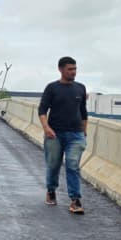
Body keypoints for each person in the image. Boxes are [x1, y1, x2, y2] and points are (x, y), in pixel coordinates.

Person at [38, 56, 88, 214]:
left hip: (76, 134)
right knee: (53, 164)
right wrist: (46, 128)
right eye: (70, 69)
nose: (74, 72)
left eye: (75, 69)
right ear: (60, 69)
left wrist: (84, 130)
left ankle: (75, 200)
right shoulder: (52, 88)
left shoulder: (80, 88)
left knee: (72, 165)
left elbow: (83, 111)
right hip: (55, 134)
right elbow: (42, 110)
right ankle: (51, 190)